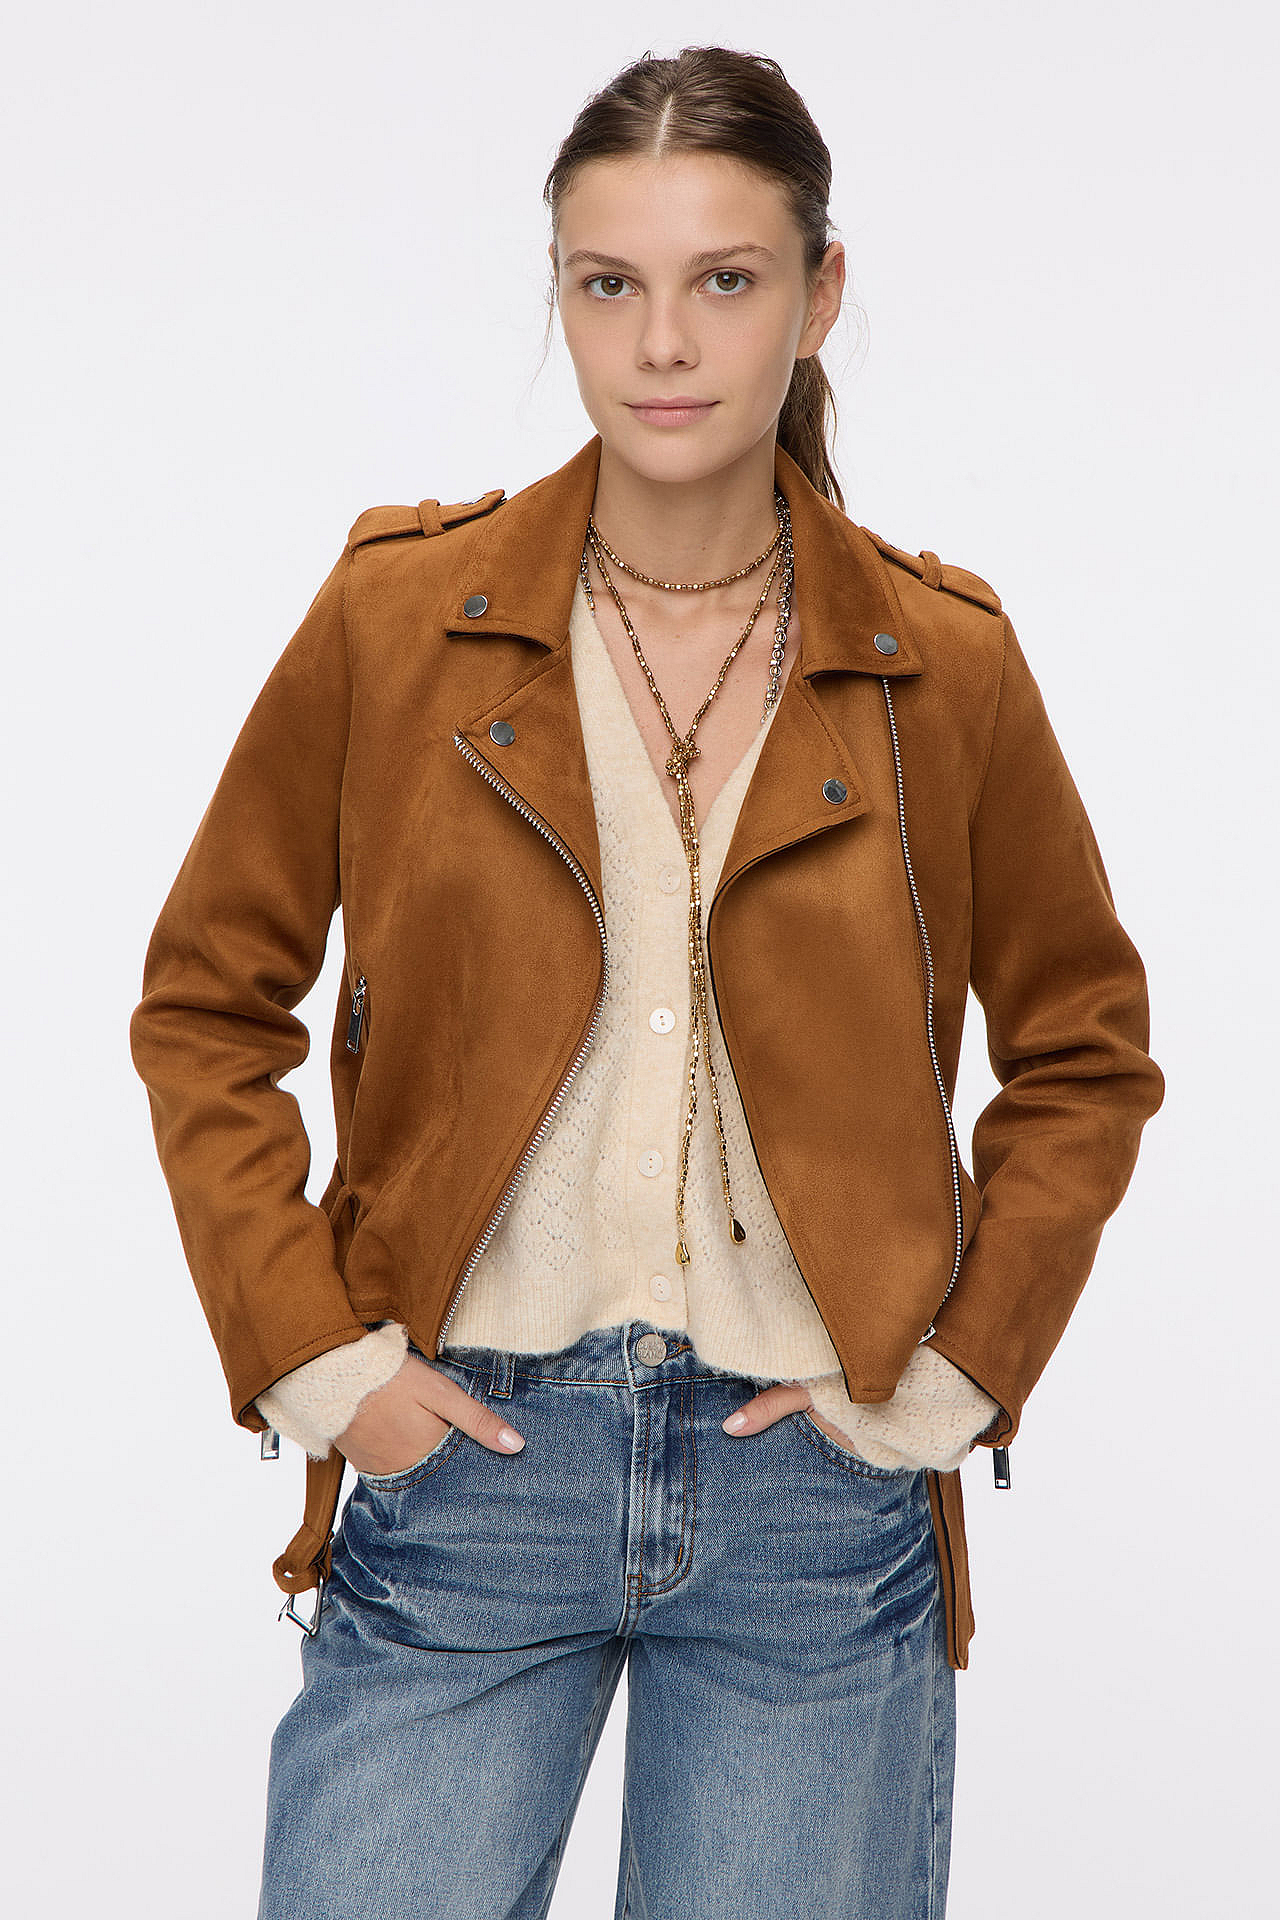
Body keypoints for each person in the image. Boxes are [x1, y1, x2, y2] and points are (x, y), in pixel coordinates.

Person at [128, 43, 1165, 1920]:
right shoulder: (399, 620)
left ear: (819, 295)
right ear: (560, 293)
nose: (663, 342)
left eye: (725, 279)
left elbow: (1085, 1054)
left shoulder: (942, 665)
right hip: (464, 1464)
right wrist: (315, 1356)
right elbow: (208, 1003)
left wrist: (953, 1375)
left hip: (815, 1503)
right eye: (609, 283)